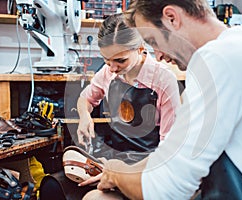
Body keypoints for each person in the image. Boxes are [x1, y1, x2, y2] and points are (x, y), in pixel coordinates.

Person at [84, 0, 242, 199]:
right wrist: (123, 170)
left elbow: (164, 192)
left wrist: (117, 174)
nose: (157, 56)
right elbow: (170, 153)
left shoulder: (220, 59)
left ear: (172, 18)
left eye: (154, 41)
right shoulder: (236, 46)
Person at [76, 13, 181, 185]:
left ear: (140, 49)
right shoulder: (108, 72)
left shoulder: (163, 80)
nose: (112, 67)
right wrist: (84, 116)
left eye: (120, 60)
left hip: (151, 165)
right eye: (106, 60)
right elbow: (85, 99)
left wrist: (121, 176)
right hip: (115, 159)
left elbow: (169, 148)